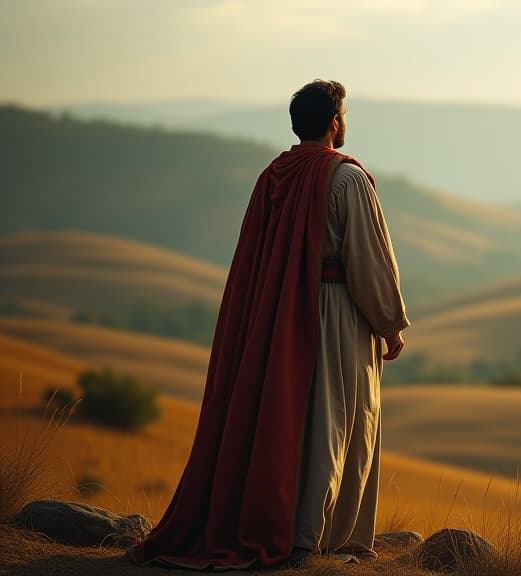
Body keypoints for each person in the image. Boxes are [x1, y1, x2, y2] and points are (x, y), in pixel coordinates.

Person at [128, 79, 410, 570]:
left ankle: (287, 528)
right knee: (336, 421)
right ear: (335, 122)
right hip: (336, 312)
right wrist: (390, 324)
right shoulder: (347, 180)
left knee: (286, 421)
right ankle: (310, 539)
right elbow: (369, 263)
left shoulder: (272, 175)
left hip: (279, 314)